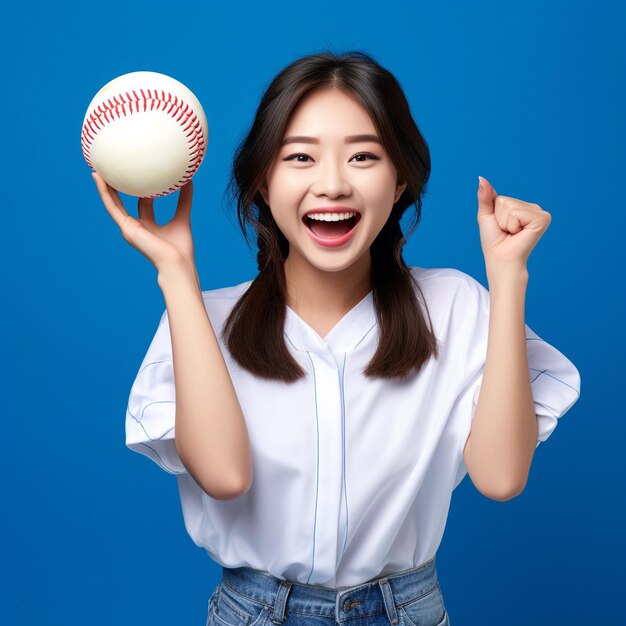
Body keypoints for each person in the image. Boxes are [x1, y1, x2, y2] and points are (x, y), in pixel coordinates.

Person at [93, 50, 581, 626]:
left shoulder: (456, 305)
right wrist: (175, 271)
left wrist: (508, 276)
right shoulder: (204, 321)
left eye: (363, 156)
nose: (332, 184)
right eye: (299, 156)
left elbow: (501, 478)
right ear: (263, 182)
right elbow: (224, 477)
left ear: (399, 178)